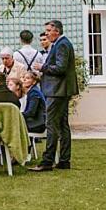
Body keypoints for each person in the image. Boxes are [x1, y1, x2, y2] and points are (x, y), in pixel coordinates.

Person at [28, 20, 78, 172]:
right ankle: (64, 160)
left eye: (49, 30)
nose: (47, 33)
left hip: (57, 91)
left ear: (57, 31)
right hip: (59, 90)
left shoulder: (62, 44)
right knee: (62, 125)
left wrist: (42, 67)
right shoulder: (60, 44)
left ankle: (47, 161)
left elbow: (61, 68)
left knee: (52, 125)